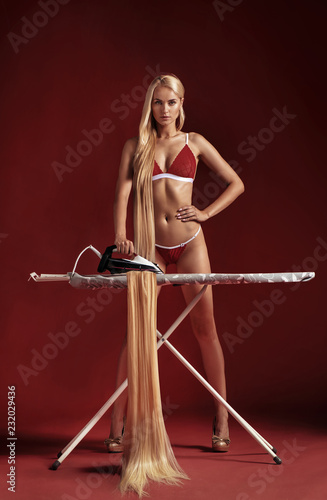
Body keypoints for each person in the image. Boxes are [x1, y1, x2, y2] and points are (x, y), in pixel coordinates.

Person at [105, 73, 245, 454]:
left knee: (206, 331)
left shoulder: (194, 142)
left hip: (190, 243)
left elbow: (236, 183)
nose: (164, 110)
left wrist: (206, 213)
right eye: (157, 102)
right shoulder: (135, 146)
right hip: (150, 248)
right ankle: (117, 422)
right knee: (137, 334)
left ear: (182, 104)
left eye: (172, 102)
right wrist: (121, 233)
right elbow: (122, 192)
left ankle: (221, 417)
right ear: (149, 105)